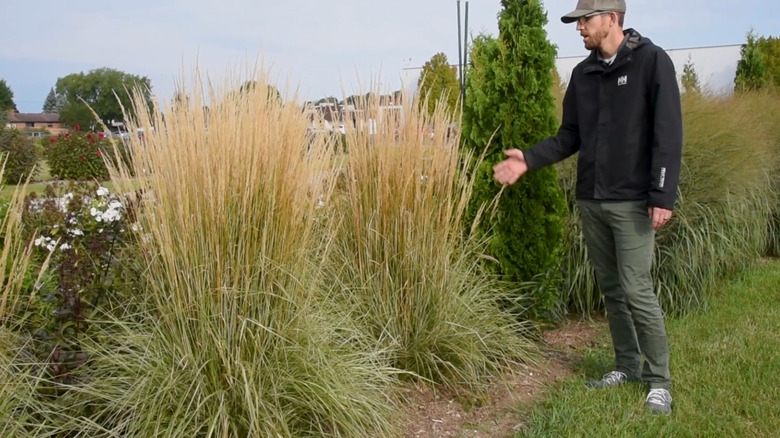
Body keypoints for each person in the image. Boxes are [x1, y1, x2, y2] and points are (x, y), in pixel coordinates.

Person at [492, 0, 682, 415]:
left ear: (611, 19)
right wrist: (528, 157)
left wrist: (661, 196)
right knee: (613, 289)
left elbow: (667, 134)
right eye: (577, 21)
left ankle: (660, 381)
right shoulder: (583, 74)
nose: (579, 28)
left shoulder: (652, 62)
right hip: (592, 200)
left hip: (633, 203)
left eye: (585, 20)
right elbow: (568, 137)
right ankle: (626, 365)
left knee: (636, 288)